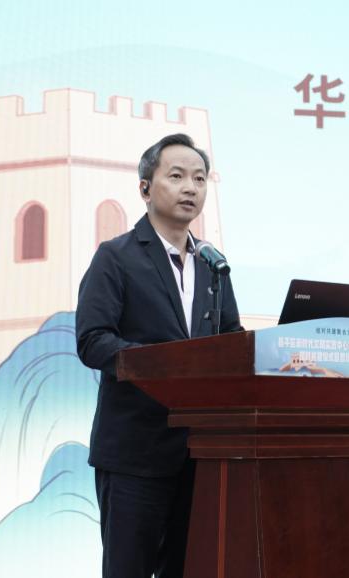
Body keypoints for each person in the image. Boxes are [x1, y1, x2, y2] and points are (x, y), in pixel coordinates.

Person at [75, 133, 242, 578]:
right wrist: (165, 365)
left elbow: (231, 338)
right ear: (145, 188)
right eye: (177, 176)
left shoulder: (213, 265)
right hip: (135, 453)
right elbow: (93, 340)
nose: (191, 188)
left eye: (200, 179)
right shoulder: (116, 257)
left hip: (201, 453)